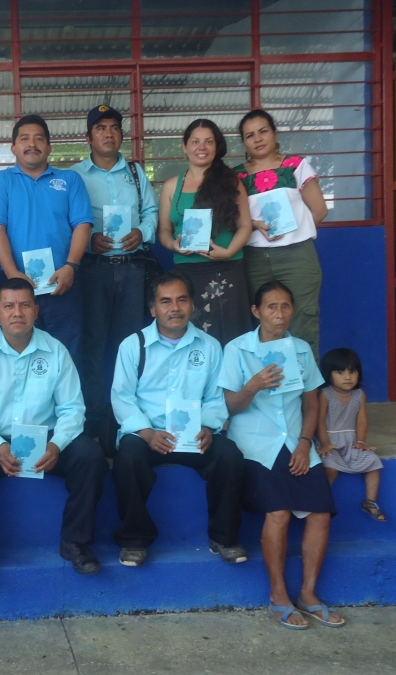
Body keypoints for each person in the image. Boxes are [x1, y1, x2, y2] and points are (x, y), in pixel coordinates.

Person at [0, 277, 108, 580]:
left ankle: (75, 543)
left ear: (36, 311)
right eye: (8, 306)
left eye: (25, 305)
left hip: (47, 442)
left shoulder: (56, 351)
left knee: (90, 454)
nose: (17, 313)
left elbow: (72, 409)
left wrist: (57, 445)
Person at [219, 281, 344, 630]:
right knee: (279, 512)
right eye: (271, 307)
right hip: (256, 445)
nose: (279, 314)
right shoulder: (237, 350)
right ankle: (278, 594)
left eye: (285, 306)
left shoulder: (301, 350)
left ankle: (308, 594)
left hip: (296, 442)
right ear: (256, 312)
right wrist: (253, 386)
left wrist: (305, 442)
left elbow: (311, 401)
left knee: (320, 512)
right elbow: (228, 405)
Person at [111, 271, 246, 567]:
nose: (175, 308)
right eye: (166, 301)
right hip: (148, 434)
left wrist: (209, 427)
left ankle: (225, 537)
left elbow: (214, 397)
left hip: (193, 436)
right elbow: (122, 397)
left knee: (230, 456)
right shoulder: (133, 345)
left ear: (192, 305)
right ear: (153, 309)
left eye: (182, 300)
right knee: (128, 459)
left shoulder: (209, 346)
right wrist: (146, 433)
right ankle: (135, 539)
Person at [71, 105, 159, 439]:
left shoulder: (136, 174)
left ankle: (124, 418)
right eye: (100, 128)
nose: (108, 133)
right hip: (93, 270)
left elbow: (151, 211)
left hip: (134, 269)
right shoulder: (74, 176)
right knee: (93, 345)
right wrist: (89, 240)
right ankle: (95, 417)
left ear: (121, 134)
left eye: (114, 128)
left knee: (129, 345)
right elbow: (68, 219)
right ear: (89, 136)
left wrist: (143, 231)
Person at [0, 114, 93, 361]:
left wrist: (71, 266)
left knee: (66, 352)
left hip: (62, 282)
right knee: (14, 353)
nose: (32, 144)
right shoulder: (1, 181)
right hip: (16, 285)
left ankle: (64, 401)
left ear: (49, 147)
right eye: (24, 139)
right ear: (14, 148)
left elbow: (83, 225)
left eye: (39, 139)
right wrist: (12, 273)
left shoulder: (69, 180)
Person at [235, 109, 329, 357]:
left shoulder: (295, 166)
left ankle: (305, 393)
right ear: (244, 142)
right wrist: (254, 224)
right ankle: (269, 390)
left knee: (301, 322)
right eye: (249, 135)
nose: (257, 139)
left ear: (275, 134)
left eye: (263, 131)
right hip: (254, 259)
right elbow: (233, 219)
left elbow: (319, 210)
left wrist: (289, 229)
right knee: (263, 324)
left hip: (297, 257)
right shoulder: (237, 176)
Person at [157, 119, 253, 346]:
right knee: (194, 339)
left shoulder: (231, 182)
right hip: (187, 273)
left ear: (216, 146)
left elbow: (245, 226)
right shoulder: (172, 186)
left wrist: (228, 251)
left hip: (227, 269)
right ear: (185, 146)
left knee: (231, 337)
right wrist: (173, 245)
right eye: (195, 141)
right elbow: (163, 230)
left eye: (208, 142)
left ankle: (233, 383)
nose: (202, 147)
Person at [317, 348, 386, 522]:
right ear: (328, 374)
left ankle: (370, 502)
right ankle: (319, 503)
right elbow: (319, 421)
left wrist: (361, 441)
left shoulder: (359, 395)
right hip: (328, 441)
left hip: (351, 441)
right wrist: (324, 443)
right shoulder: (325, 394)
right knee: (330, 469)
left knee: (373, 462)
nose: (347, 377)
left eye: (352, 371)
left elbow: (362, 419)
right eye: (340, 372)